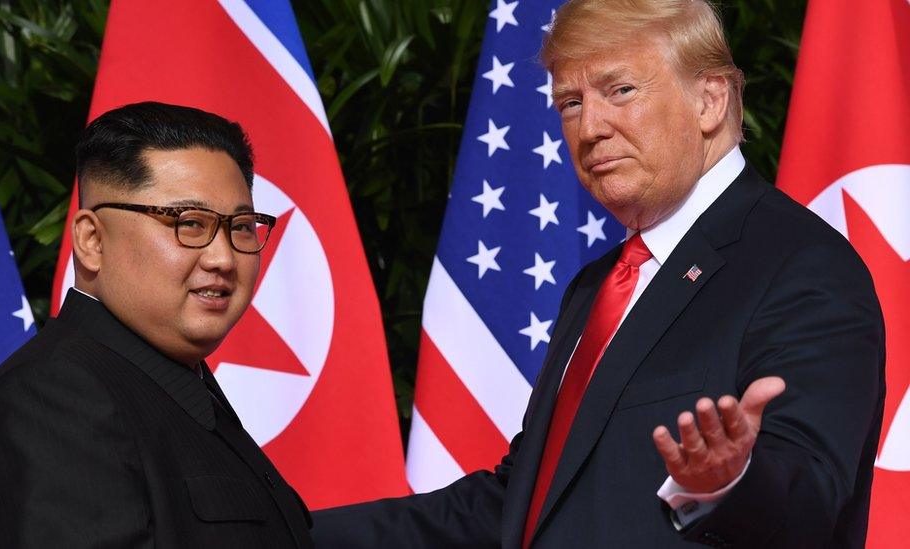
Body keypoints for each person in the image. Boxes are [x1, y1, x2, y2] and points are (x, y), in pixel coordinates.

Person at [311, 1, 885, 547]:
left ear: (710, 100)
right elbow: (521, 507)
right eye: (570, 103)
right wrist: (285, 532)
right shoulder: (596, 287)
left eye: (621, 90)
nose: (589, 129)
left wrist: (728, 484)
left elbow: (812, 502)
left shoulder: (802, 266)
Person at [0, 102, 313, 548]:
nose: (223, 258)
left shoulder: (168, 379)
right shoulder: (53, 394)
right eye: (189, 223)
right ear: (92, 240)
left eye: (241, 227)